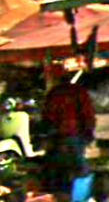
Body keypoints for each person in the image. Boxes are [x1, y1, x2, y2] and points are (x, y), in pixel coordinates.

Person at [41, 63, 96, 200]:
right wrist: (89, 132)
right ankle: (79, 196)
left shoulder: (54, 93)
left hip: (61, 136)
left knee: (59, 169)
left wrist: (47, 134)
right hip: (76, 134)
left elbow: (48, 116)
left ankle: (63, 195)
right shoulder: (78, 91)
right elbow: (88, 114)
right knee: (78, 168)